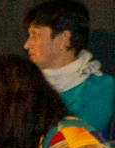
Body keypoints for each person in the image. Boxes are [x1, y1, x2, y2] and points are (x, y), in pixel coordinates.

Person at [26, 0, 114, 134]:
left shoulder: (100, 86)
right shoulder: (25, 83)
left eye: (35, 36)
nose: (26, 45)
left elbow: (78, 136)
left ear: (64, 38)